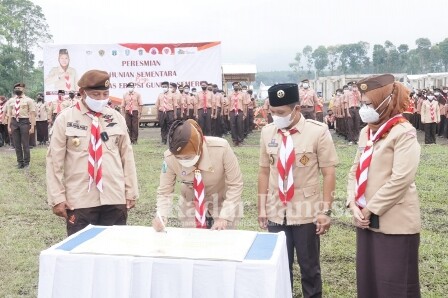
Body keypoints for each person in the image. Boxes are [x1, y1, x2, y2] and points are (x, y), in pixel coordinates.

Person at [257, 83, 338, 297]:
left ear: (297, 109)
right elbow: (264, 172)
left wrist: (325, 211)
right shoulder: (267, 133)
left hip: (306, 212)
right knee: (279, 269)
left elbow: (329, 173)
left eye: (281, 113)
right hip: (276, 211)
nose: (276, 117)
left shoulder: (317, 132)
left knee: (309, 269)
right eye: (272, 112)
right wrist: (262, 208)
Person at [346, 74, 421, 297]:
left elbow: (401, 179)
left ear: (385, 101)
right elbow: (355, 170)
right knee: (369, 282)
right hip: (366, 222)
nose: (364, 108)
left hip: (394, 223)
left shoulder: (404, 132)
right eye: (362, 103)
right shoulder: (366, 131)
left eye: (368, 103)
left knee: (395, 285)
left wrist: (369, 209)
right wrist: (353, 203)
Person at [46, 69, 139, 236]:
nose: (102, 99)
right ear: (82, 93)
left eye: (105, 94)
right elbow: (54, 161)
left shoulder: (116, 118)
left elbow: (127, 157)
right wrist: (57, 198)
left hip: (114, 196)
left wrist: (131, 191)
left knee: (114, 251)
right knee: (81, 254)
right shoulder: (65, 119)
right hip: (81, 200)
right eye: (96, 95)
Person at [152, 119, 243, 231]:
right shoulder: (170, 158)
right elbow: (165, 191)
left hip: (221, 205)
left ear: (199, 147)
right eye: (179, 158)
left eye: (188, 157)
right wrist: (162, 215)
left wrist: (225, 216)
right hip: (191, 209)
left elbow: (235, 184)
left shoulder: (221, 149)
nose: (183, 161)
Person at [6, 83, 35, 169]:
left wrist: (32, 126)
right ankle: (20, 162)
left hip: (24, 122)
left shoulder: (29, 100)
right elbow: (9, 115)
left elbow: (32, 114)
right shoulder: (11, 101)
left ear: (23, 89)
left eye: (19, 88)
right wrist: (8, 126)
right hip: (14, 122)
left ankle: (26, 163)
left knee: (25, 143)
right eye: (16, 88)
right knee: (16, 144)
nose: (17, 89)